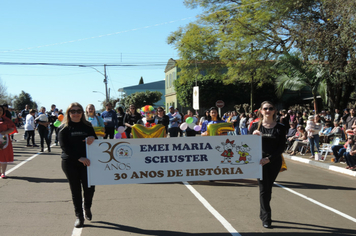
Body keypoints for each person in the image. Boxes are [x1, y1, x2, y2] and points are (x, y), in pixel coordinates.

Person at [58, 102, 97, 228]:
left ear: (82, 113)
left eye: (78, 111)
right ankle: (79, 216)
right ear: (68, 113)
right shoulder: (63, 127)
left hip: (88, 162)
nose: (75, 113)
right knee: (76, 191)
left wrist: (92, 138)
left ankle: (87, 207)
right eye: (73, 111)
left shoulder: (87, 125)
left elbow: (96, 140)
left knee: (89, 188)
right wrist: (79, 158)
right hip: (70, 162)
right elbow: (65, 147)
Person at [249, 101, 286, 228]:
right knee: (264, 189)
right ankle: (266, 218)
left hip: (274, 161)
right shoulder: (255, 126)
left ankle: (263, 213)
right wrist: (252, 137)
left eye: (271, 108)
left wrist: (269, 159)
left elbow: (281, 147)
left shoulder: (280, 127)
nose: (268, 110)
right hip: (259, 162)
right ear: (261, 110)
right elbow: (246, 145)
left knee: (268, 188)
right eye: (265, 108)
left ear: (275, 110)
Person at [0, 105, 17, 179]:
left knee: (3, 156)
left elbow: (12, 129)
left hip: (4, 140)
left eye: (1, 110)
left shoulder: (6, 120)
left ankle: (3, 173)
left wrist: (5, 132)